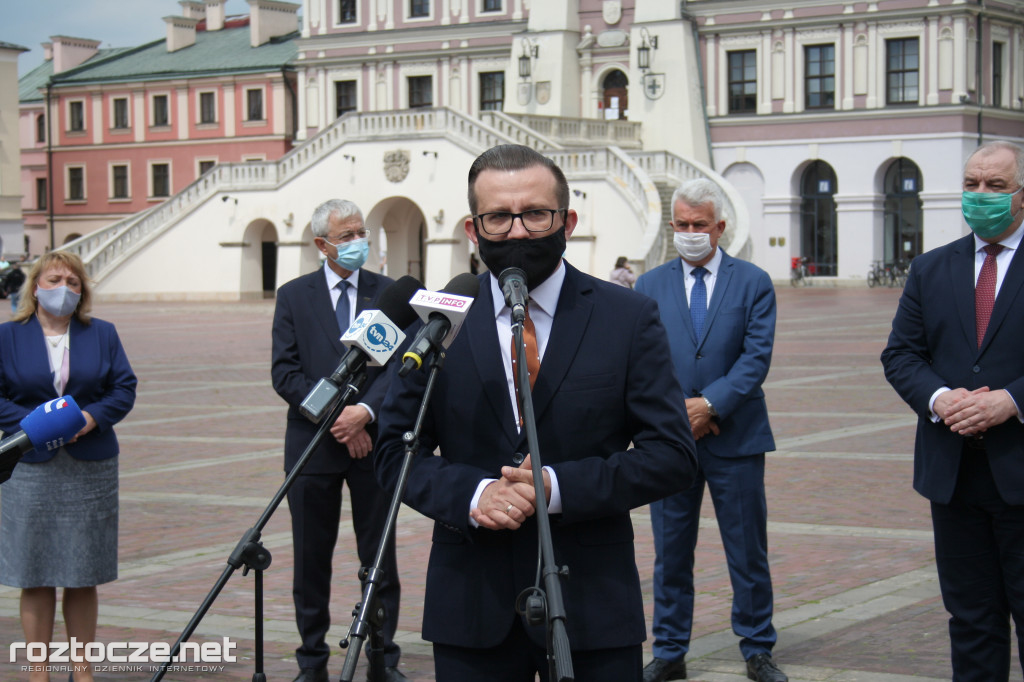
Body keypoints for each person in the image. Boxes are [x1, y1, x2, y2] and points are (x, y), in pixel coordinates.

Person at [374, 144, 698, 682]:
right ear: (473, 229)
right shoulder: (437, 323)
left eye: (535, 214)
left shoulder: (628, 318)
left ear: (566, 221)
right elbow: (393, 454)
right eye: (498, 217)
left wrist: (554, 487)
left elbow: (672, 456)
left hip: (594, 602)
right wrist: (475, 495)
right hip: (471, 606)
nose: (518, 231)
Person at [881, 140, 1024, 681]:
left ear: (1022, 196)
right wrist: (942, 400)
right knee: (971, 622)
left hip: (1020, 470)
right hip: (955, 477)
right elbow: (901, 354)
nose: (980, 195)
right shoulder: (931, 269)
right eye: (971, 185)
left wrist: (1010, 402)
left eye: (995, 186)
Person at [635, 178, 786, 682]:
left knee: (747, 550)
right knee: (670, 553)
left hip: (736, 438)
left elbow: (755, 358)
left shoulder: (753, 282)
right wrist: (678, 413)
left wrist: (711, 405)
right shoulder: (650, 285)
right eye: (681, 225)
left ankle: (758, 647)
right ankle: (671, 650)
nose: (690, 233)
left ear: (720, 227)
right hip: (671, 443)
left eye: (700, 225)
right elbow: (643, 360)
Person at [271, 199, 407, 682]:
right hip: (313, 446)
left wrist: (365, 414)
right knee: (311, 559)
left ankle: (382, 658)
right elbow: (285, 372)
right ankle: (312, 661)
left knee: (380, 559)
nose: (357, 243)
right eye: (346, 235)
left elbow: (399, 368)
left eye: (360, 232)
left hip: (373, 445)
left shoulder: (389, 294)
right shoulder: (293, 296)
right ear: (321, 244)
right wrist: (339, 419)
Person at [0, 251, 137, 682]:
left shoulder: (102, 333)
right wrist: (34, 426)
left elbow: (123, 386)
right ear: (36, 286)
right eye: (55, 279)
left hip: (89, 465)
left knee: (82, 573)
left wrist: (92, 417)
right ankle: (38, 671)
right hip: (29, 464)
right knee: (35, 571)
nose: (64, 288)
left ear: (83, 290)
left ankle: (82, 670)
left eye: (73, 282)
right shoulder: (8, 336)